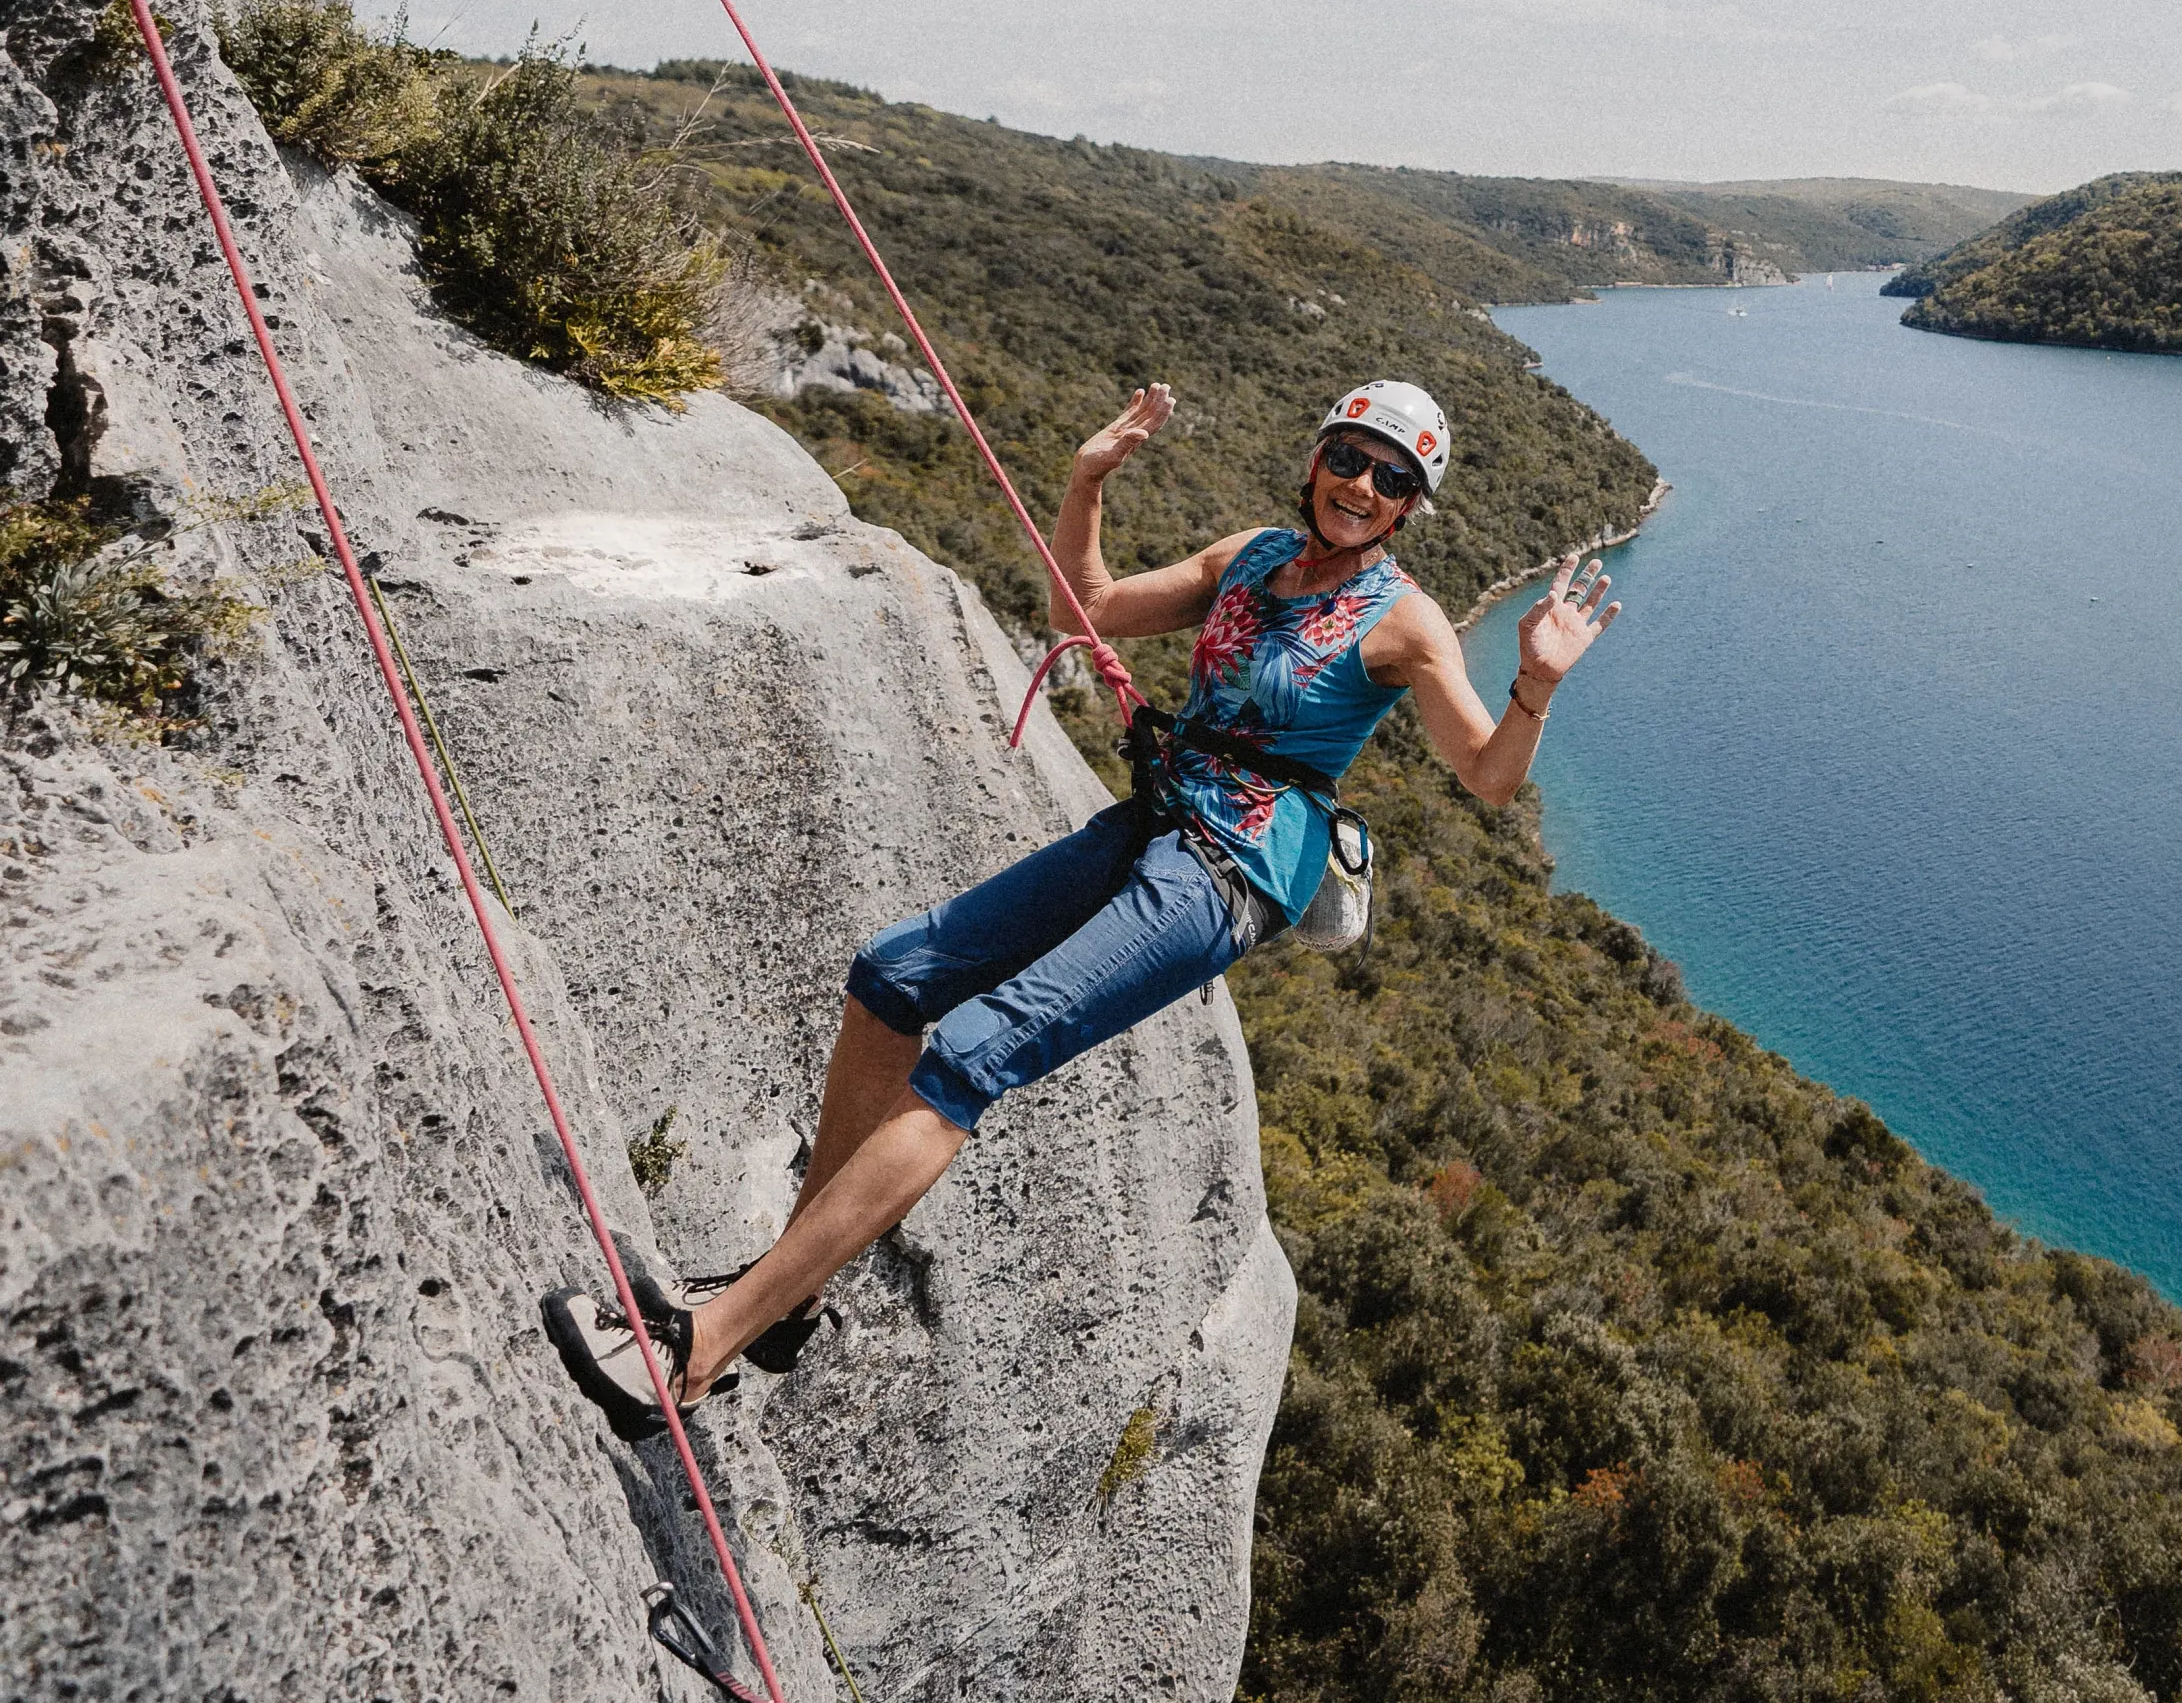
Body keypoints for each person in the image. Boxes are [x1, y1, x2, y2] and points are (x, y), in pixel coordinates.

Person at [541, 376, 1619, 1436]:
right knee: (892, 978)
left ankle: (701, 1348)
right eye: (1349, 457)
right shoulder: (1249, 559)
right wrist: (1086, 481)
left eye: (1391, 478)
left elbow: (1486, 773)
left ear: (1407, 506)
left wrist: (1537, 684)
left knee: (968, 1057)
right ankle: (791, 1294)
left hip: (1226, 877)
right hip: (1151, 824)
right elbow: (1083, 608)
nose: (1361, 486)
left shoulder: (1408, 622)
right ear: (1317, 457)